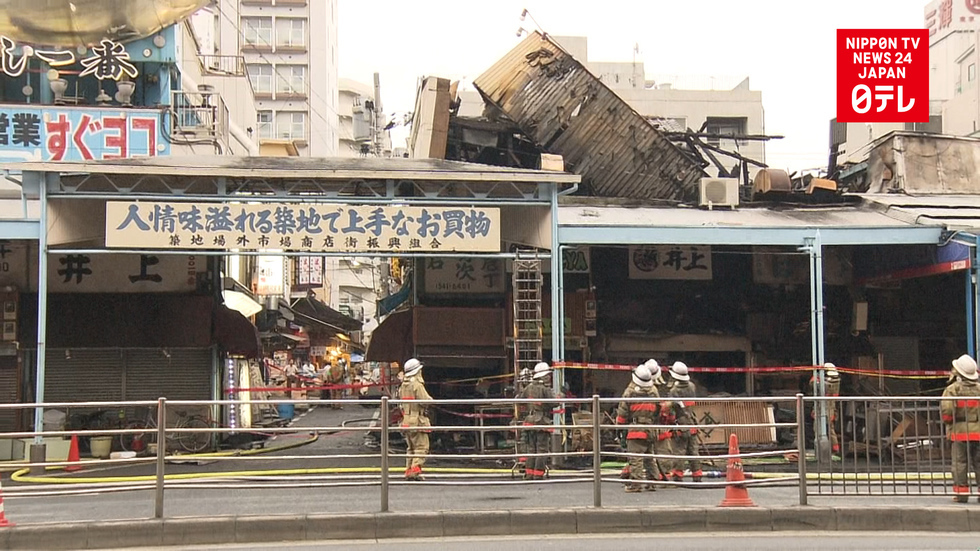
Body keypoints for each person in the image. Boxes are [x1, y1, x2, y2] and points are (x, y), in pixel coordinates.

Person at [941, 354, 980, 503]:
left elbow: (947, 412)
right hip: (978, 433)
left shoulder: (952, 390)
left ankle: (961, 494)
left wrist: (949, 424)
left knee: (960, 463)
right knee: (979, 462)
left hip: (959, 433)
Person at [615, 364, 661, 492]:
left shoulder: (630, 392)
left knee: (635, 458)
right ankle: (652, 482)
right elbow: (658, 409)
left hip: (635, 429)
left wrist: (619, 428)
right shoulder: (654, 391)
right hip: (650, 429)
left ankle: (636, 484)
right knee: (649, 457)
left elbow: (623, 413)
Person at [517, 362, 557, 480]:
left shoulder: (528, 388)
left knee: (531, 449)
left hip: (529, 420)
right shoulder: (545, 389)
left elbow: (520, 401)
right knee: (541, 449)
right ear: (543, 375)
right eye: (548, 375)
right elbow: (554, 403)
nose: (549, 377)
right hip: (542, 421)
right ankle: (538, 475)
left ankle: (529, 474)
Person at [665, 361, 702, 482]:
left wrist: (670, 422)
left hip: (680, 423)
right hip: (692, 420)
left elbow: (671, 410)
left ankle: (677, 475)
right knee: (693, 450)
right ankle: (697, 475)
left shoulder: (674, 391)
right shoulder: (692, 386)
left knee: (679, 450)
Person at [398, 358, 433, 481]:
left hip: (406, 420)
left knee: (411, 448)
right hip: (418, 419)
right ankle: (415, 471)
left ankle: (408, 470)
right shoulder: (417, 385)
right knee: (422, 447)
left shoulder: (404, 384)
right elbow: (424, 400)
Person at [810, 363, 842, 453]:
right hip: (828, 407)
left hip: (826, 408)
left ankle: (826, 449)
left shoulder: (829, 383)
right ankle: (835, 448)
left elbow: (814, 384)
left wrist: (816, 374)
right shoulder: (835, 380)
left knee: (818, 428)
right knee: (830, 429)